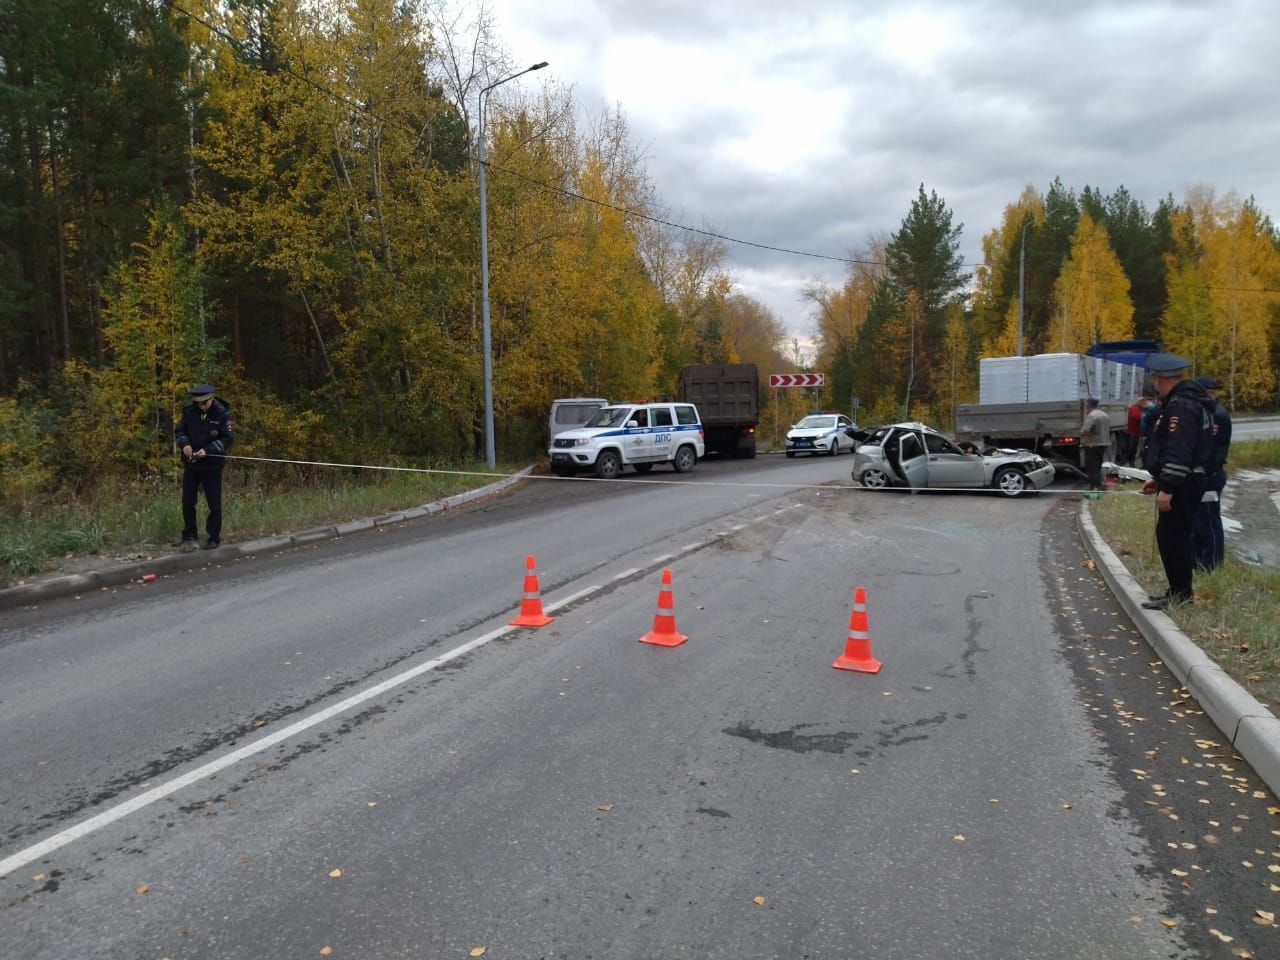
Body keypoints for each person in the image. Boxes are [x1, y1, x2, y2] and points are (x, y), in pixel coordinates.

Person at [1139, 355, 1216, 610]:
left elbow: (1179, 450)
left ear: (1160, 378)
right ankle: (1177, 590)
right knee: (1170, 534)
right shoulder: (1187, 401)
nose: (1154, 382)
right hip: (1186, 478)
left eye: (1154, 378)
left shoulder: (1181, 406)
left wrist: (1168, 487)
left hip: (1184, 482)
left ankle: (1181, 595)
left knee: (1174, 537)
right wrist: (1158, 480)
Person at [174, 382, 234, 550]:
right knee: (187, 501)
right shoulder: (189, 411)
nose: (201, 406)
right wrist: (185, 445)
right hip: (191, 464)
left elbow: (227, 439)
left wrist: (207, 451)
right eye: (198, 403)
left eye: (204, 403)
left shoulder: (222, 414)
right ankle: (189, 534)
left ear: (211, 398)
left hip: (212, 465)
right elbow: (180, 431)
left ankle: (213, 537)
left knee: (213, 503)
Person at [1191, 375, 1232, 571]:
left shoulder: (1218, 414)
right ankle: (1199, 560)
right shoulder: (1206, 412)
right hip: (1203, 475)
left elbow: (1218, 450)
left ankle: (1212, 564)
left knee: (1209, 520)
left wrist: (1208, 473)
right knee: (1198, 520)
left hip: (1212, 476)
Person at [1080, 397, 1110, 491]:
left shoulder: (1092, 416)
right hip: (1103, 443)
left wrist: (1087, 437)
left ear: (1089, 405)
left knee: (1091, 467)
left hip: (1092, 444)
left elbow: (1085, 430)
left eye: (1087, 403)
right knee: (1098, 465)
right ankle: (1100, 484)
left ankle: (1094, 486)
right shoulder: (1104, 414)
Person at [1123, 396, 1149, 467]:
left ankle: (1131, 462)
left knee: (1134, 448)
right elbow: (1136, 416)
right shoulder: (1134, 409)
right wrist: (1144, 415)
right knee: (1131, 448)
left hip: (1136, 433)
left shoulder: (1138, 409)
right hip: (1132, 432)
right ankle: (1129, 462)